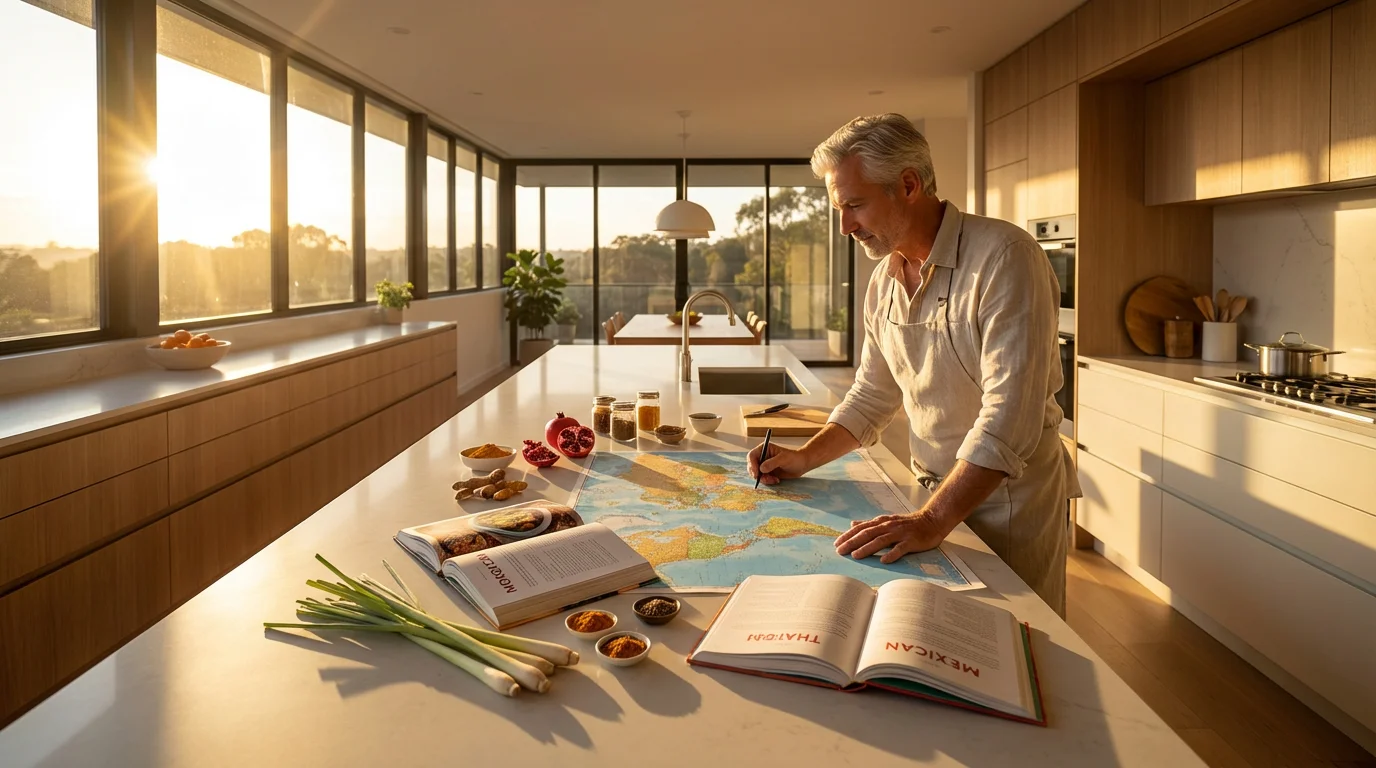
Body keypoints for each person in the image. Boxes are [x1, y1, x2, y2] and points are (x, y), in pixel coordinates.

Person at [748, 114, 1079, 615]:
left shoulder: (1005, 257)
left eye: (854, 205)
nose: (845, 227)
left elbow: (1010, 417)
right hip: (926, 495)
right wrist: (801, 458)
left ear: (908, 185)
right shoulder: (884, 280)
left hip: (1008, 503)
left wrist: (932, 520)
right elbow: (871, 395)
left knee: (1016, 647)